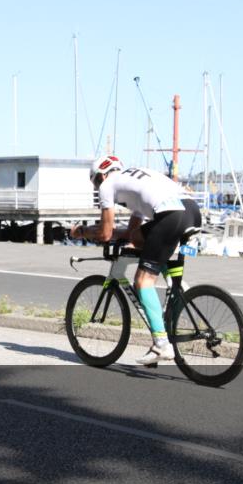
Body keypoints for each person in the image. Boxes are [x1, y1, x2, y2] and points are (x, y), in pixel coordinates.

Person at [70, 155, 201, 366]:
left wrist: (82, 232)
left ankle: (161, 344)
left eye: (95, 182)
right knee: (139, 238)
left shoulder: (108, 185)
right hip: (192, 211)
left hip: (171, 217)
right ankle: (175, 284)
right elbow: (132, 233)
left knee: (142, 281)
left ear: (102, 175)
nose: (97, 188)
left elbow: (105, 233)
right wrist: (122, 237)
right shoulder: (134, 178)